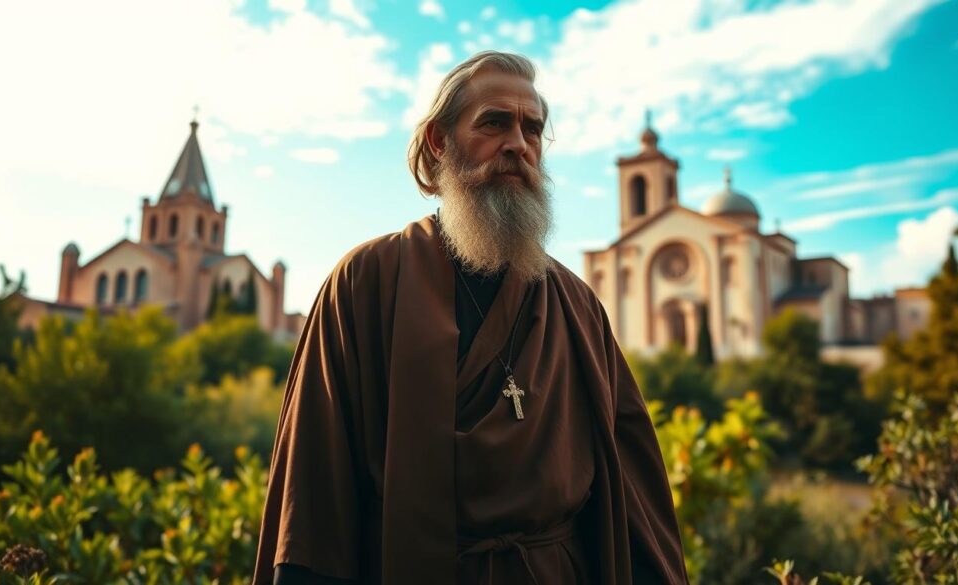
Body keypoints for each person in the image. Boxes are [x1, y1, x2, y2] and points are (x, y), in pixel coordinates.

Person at [253, 51, 688, 585]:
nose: (518, 145)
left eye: (533, 129)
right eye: (495, 123)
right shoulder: (365, 281)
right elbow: (315, 494)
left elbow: (633, 498)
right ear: (440, 141)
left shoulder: (578, 306)